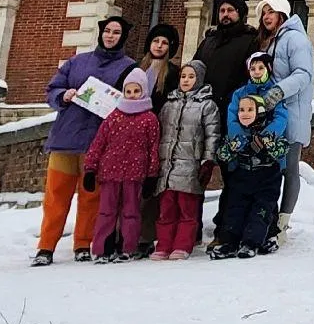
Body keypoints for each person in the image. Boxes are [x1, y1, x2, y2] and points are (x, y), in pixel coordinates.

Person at [31, 16, 137, 266]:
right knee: (56, 195)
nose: (110, 36)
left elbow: (131, 101)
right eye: (107, 31)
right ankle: (46, 246)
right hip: (65, 139)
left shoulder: (130, 68)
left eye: (116, 32)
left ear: (123, 37)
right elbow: (52, 89)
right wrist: (63, 95)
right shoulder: (77, 62)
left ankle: (82, 243)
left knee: (91, 197)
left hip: (99, 143)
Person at [83, 69, 161, 263]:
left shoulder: (149, 119)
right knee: (106, 211)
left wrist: (152, 174)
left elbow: (153, 148)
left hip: (135, 174)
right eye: (129, 91)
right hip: (110, 172)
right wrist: (90, 168)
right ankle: (103, 248)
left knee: (131, 212)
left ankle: (128, 246)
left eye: (136, 91)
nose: (132, 95)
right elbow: (99, 143)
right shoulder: (114, 116)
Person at [254, 0, 314, 243]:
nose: (266, 16)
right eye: (263, 12)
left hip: (291, 114)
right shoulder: (269, 41)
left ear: (282, 13)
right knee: (269, 170)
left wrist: (278, 92)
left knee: (289, 169)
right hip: (271, 115)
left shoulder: (295, 39)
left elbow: (303, 74)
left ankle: (282, 222)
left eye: (271, 11)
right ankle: (265, 219)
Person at [209, 92, 289, 260]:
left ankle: (251, 242)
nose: (245, 113)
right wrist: (231, 149)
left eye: (250, 109)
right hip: (242, 177)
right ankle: (229, 242)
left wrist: (269, 144)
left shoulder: (269, 133)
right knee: (234, 211)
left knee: (260, 211)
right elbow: (222, 156)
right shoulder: (237, 135)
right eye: (241, 110)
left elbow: (283, 150)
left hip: (266, 179)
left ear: (259, 112)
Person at [153, 60, 219, 260]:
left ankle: (183, 244)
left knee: (186, 209)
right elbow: (160, 133)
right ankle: (164, 244)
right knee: (166, 208)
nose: (186, 80)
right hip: (168, 165)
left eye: (191, 77)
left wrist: (208, 160)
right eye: (183, 76)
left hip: (190, 165)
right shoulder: (169, 104)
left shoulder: (207, 105)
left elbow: (212, 134)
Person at [133, 23, 180, 256]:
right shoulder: (134, 70)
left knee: (151, 186)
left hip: (157, 135)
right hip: (130, 138)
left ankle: (144, 237)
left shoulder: (172, 74)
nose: (159, 46)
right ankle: (124, 234)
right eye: (156, 41)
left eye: (164, 43)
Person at [192, 0, 257, 119]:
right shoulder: (209, 41)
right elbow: (195, 69)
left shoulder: (250, 40)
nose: (225, 14)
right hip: (204, 107)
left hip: (233, 108)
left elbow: (253, 75)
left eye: (230, 10)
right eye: (222, 11)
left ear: (240, 13)